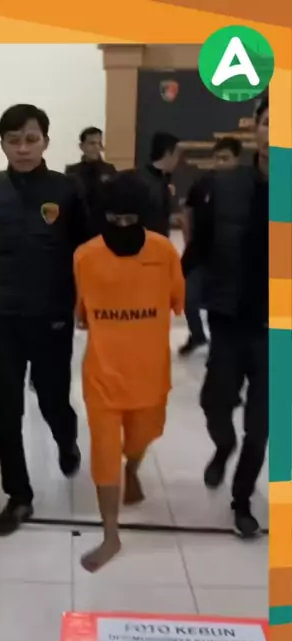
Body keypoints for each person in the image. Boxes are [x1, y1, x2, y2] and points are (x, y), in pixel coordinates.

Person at [0, 104, 91, 536]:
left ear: (46, 142)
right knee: (6, 412)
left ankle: (66, 440)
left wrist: (85, 308)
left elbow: (86, 256)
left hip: (52, 316)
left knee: (53, 400)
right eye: (14, 140)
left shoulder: (67, 191)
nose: (23, 148)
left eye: (31, 139)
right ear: (2, 143)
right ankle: (18, 496)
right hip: (3, 318)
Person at [74, 171, 185, 572]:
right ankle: (111, 534)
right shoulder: (85, 256)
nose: (122, 226)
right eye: (114, 219)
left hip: (150, 373)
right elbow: (82, 314)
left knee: (143, 436)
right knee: (105, 453)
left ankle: (133, 469)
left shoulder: (163, 252)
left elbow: (177, 300)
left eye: (130, 219)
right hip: (102, 375)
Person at [198, 94, 269, 538]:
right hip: (228, 319)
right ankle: (223, 446)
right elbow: (200, 247)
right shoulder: (224, 185)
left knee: (260, 427)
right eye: (270, 122)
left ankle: (242, 501)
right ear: (255, 127)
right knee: (214, 402)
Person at [179, 136, 242, 355]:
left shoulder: (244, 185)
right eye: (217, 158)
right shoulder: (203, 182)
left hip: (230, 258)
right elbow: (188, 211)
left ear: (236, 159)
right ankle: (197, 335)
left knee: (223, 306)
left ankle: (222, 346)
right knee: (189, 298)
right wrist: (188, 239)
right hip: (199, 255)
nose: (220, 162)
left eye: (226, 158)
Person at [65, 127, 116, 235]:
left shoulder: (109, 169)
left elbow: (115, 198)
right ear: (82, 146)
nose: (96, 147)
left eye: (99, 143)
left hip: (104, 228)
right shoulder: (72, 171)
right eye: (92, 143)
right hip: (78, 228)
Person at [135, 131, 180, 237]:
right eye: (177, 154)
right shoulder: (145, 182)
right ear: (168, 153)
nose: (178, 160)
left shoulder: (164, 181)